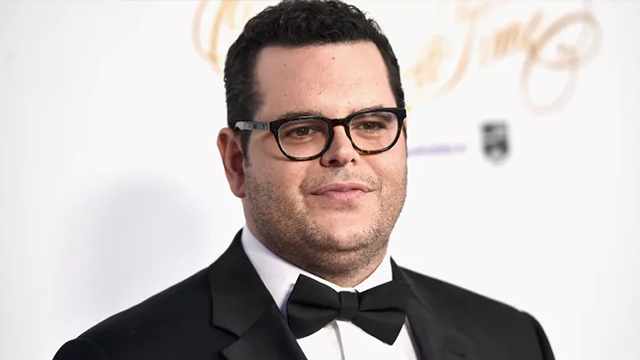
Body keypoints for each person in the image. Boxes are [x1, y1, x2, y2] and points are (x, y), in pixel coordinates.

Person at [53, 1, 555, 359]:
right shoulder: (117, 355)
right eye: (302, 130)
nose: (344, 152)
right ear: (235, 160)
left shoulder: (513, 340)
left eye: (371, 124)